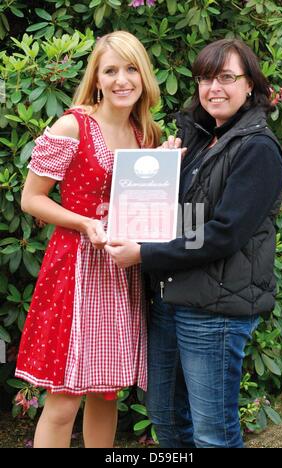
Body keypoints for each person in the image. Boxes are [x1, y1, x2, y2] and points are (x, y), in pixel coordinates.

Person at [105, 38, 282, 448]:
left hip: (215, 310)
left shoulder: (257, 149)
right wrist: (166, 172)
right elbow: (179, 217)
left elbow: (223, 233)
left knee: (213, 432)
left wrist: (144, 255)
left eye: (226, 77)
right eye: (206, 78)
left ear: (250, 85)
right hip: (172, 300)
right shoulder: (203, 141)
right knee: (166, 418)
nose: (214, 88)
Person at [15, 30, 161, 448]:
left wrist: (166, 171)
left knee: (105, 392)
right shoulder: (72, 126)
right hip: (76, 269)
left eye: (131, 69)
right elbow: (31, 199)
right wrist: (84, 223)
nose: (122, 80)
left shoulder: (143, 133)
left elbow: (145, 208)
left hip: (120, 268)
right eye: (111, 70)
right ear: (96, 77)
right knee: (63, 400)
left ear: (143, 76)